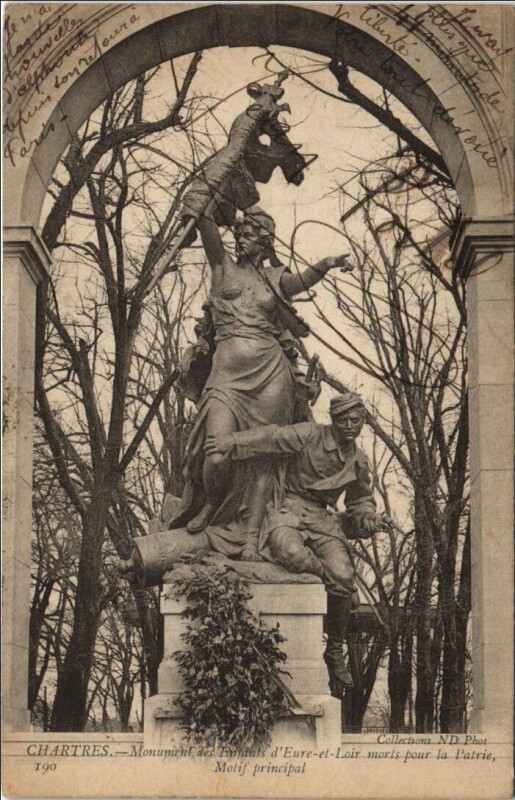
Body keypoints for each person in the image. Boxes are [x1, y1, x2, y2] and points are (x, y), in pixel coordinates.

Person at [167, 203, 353, 562]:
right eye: (241, 231)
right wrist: (225, 167)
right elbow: (204, 214)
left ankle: (251, 539)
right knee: (216, 452)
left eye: (252, 234)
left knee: (263, 460)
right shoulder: (222, 266)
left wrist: (327, 264)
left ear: (266, 242)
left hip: (271, 375)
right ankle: (213, 505)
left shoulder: (276, 278)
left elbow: (301, 281)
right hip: (225, 377)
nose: (242, 238)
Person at [204, 390, 382, 698]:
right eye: (344, 419)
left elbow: (361, 500)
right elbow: (272, 437)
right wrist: (232, 442)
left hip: (323, 521)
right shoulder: (311, 435)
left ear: (363, 422)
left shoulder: (358, 462)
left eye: (356, 419)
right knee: (290, 552)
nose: (350, 425)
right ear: (334, 420)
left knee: (344, 572)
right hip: (288, 509)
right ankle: (338, 590)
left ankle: (334, 648)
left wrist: (367, 518)